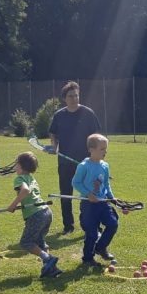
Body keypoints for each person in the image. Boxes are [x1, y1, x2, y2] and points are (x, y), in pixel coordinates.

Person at [48, 81, 101, 235]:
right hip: (65, 163)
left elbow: (97, 135)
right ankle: (68, 226)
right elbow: (53, 133)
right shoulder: (59, 115)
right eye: (71, 96)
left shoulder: (88, 113)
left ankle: (90, 224)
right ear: (65, 98)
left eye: (76, 95)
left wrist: (97, 154)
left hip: (85, 163)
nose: (74, 98)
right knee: (66, 194)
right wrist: (54, 147)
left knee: (88, 194)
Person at [5, 152, 63, 279]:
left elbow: (25, 191)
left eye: (16, 163)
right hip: (46, 212)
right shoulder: (32, 178)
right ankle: (51, 269)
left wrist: (13, 205)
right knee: (40, 242)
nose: (14, 166)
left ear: (21, 166)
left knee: (26, 242)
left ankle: (48, 258)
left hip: (36, 214)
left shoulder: (19, 179)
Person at [72, 133, 120, 267]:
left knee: (113, 224)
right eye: (102, 149)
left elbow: (106, 183)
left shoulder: (105, 166)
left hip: (103, 203)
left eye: (106, 149)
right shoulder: (83, 166)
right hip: (89, 205)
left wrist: (111, 197)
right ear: (91, 149)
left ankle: (100, 248)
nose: (105, 151)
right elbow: (76, 183)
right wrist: (88, 194)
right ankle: (87, 258)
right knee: (91, 233)